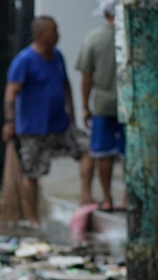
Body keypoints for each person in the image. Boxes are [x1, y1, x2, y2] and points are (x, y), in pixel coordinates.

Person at [3, 16, 94, 225]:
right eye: (54, 30)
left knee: (88, 147)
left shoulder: (57, 56)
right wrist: (10, 122)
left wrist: (72, 111)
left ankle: (86, 195)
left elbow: (65, 84)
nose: (58, 34)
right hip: (33, 129)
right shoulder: (24, 60)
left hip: (59, 125)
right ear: (42, 34)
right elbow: (11, 93)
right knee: (32, 173)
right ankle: (33, 218)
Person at [76, 0, 125, 211]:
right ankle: (129, 198)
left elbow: (87, 76)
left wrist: (85, 106)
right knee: (128, 154)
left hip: (103, 105)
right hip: (129, 105)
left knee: (104, 154)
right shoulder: (133, 39)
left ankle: (107, 198)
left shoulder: (93, 39)